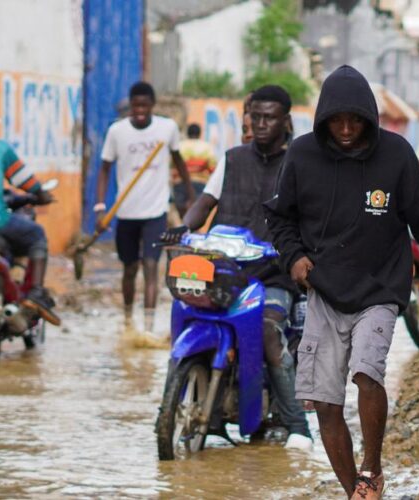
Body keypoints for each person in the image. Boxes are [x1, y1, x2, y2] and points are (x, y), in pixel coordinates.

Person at [264, 65, 419, 499]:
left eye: (354, 120)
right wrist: (294, 257)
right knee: (324, 401)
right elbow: (279, 217)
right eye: (336, 121)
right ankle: (355, 492)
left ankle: (371, 469)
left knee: (366, 372)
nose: (344, 129)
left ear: (368, 119)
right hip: (325, 291)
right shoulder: (302, 155)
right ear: (322, 120)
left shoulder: (395, 155)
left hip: (380, 288)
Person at [162, 86, 311, 449]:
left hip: (274, 273)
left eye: (269, 117)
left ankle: (298, 426)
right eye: (255, 117)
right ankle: (200, 406)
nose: (260, 124)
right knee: (190, 311)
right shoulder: (232, 158)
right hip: (225, 271)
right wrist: (185, 226)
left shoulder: (301, 165)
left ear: (286, 121)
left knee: (267, 331)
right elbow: (205, 201)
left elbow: (314, 217)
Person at [95, 81, 195, 334]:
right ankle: (128, 320)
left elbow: (179, 162)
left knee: (152, 267)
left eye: (144, 105)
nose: (139, 110)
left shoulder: (167, 128)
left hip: (155, 212)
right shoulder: (117, 132)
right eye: (135, 105)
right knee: (129, 269)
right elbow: (104, 169)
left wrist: (190, 196)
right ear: (131, 105)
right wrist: (99, 207)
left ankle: (148, 328)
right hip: (126, 213)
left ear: (152, 105)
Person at [0, 101, 60, 325]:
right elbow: (24, 179)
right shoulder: (0, 148)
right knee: (36, 235)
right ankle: (36, 293)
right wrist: (41, 195)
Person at [174, 123, 216, 217]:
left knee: (181, 211)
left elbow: (172, 165)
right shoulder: (206, 147)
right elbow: (212, 167)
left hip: (180, 183)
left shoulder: (179, 145)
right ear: (199, 133)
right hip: (199, 182)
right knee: (196, 211)